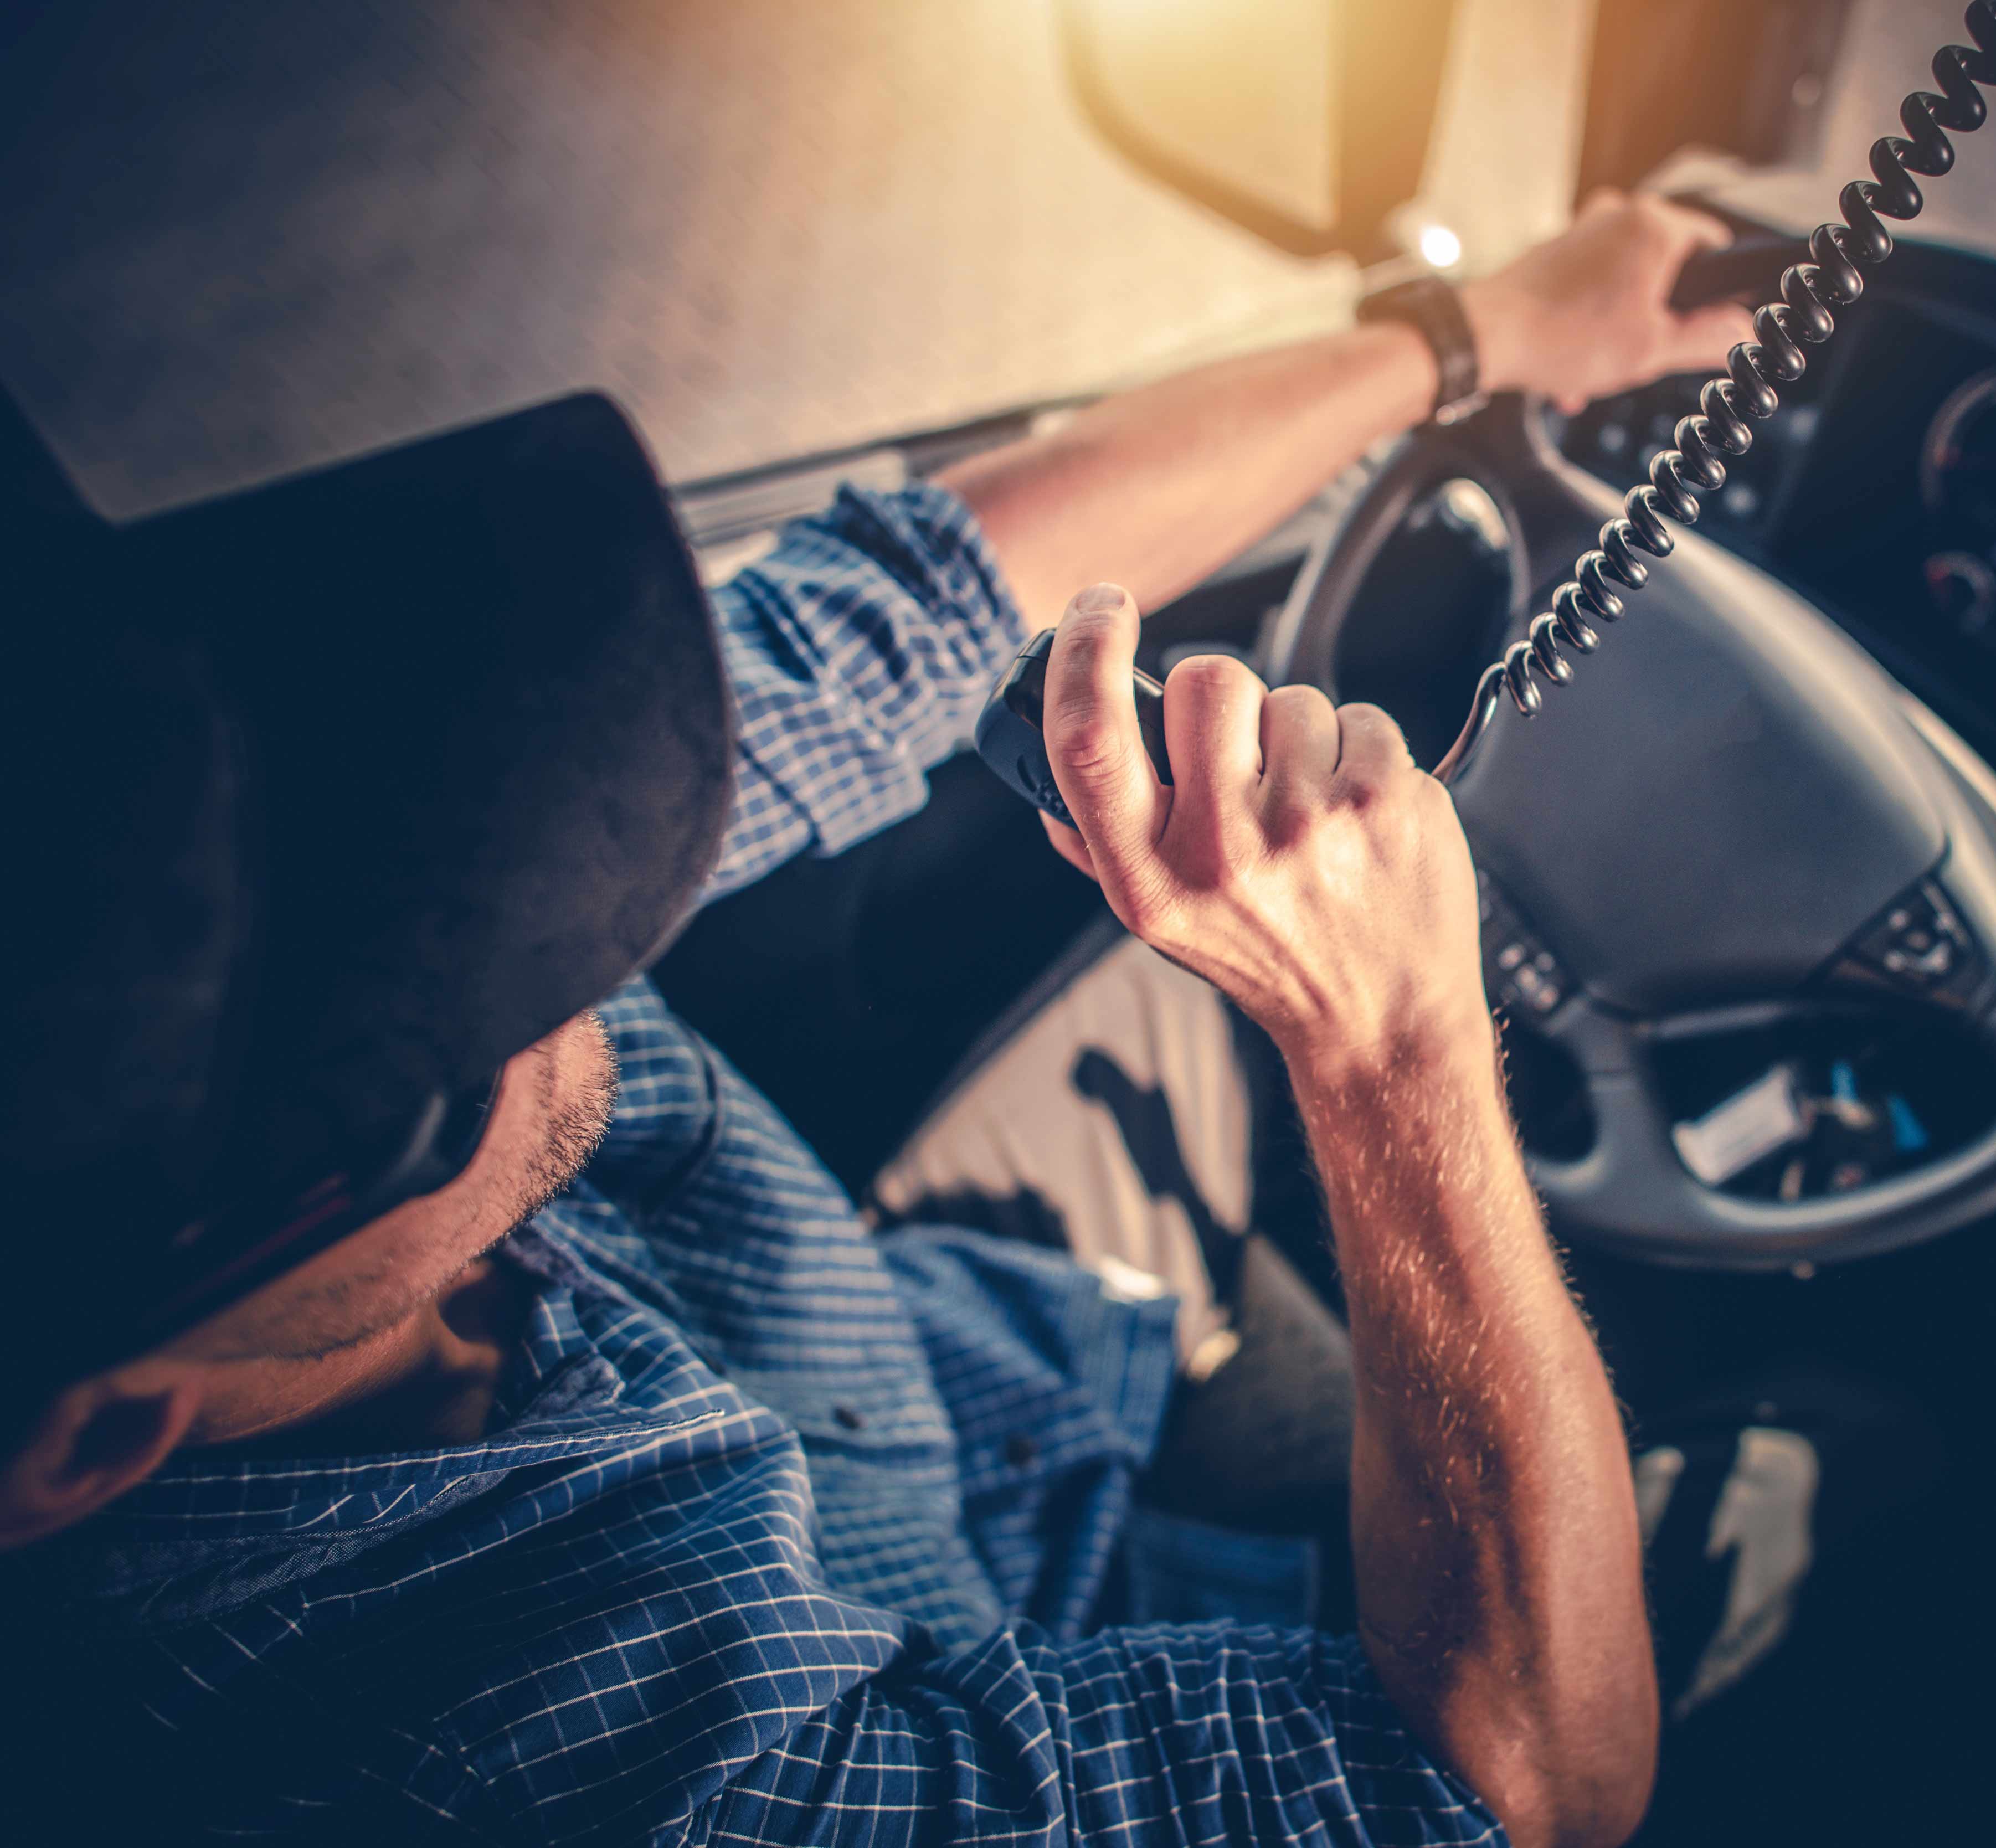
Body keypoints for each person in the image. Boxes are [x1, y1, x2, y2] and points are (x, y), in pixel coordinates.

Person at [0, 194, 1801, 1844]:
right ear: (87, 1441)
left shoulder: (225, 972)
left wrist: (1480, 329)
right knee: (1840, 1461)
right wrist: (1394, 1052)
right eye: (425, 1045)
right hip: (1066, 1663)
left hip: (999, 1354)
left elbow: (908, 606)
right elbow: (1521, 1784)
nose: (560, 936)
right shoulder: (583, 1776)